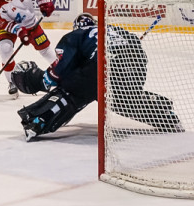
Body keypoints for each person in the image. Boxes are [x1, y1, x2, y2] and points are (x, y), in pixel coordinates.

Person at [11, 13, 183, 141]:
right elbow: (136, 46)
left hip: (102, 64)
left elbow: (63, 66)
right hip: (135, 64)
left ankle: (38, 120)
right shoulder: (113, 30)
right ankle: (166, 116)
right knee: (120, 99)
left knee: (72, 89)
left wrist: (47, 79)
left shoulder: (76, 35)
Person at [0, 0, 56, 97]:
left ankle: (59, 72)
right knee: (5, 50)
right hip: (8, 28)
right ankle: (11, 82)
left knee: (44, 48)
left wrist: (45, 1)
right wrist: (19, 31)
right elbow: (2, 23)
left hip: (30, 23)